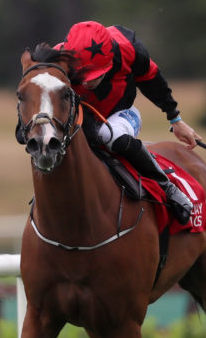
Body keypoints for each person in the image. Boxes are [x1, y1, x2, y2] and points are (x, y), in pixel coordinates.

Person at [60, 21, 198, 224]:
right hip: (81, 120)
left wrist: (175, 118)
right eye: (83, 76)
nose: (87, 83)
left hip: (121, 114)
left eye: (94, 76)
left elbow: (152, 80)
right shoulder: (59, 60)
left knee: (109, 136)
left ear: (109, 60)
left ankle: (167, 187)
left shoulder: (129, 50)